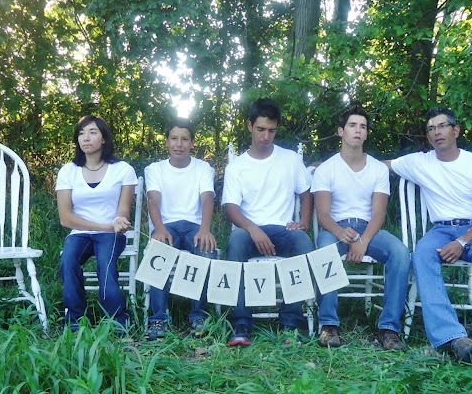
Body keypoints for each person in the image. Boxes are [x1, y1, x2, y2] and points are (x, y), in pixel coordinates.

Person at [385, 107, 472, 363]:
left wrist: (462, 241)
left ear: (456, 131)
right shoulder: (420, 162)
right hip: (441, 230)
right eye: (431, 129)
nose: (437, 132)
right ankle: (453, 337)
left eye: (442, 126)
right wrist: (332, 166)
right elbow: (377, 165)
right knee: (421, 254)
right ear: (428, 136)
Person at [311, 106, 411, 351]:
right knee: (324, 250)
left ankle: (389, 328)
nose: (358, 130)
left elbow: (379, 213)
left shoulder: (377, 168)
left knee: (400, 253)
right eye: (353, 125)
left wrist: (363, 240)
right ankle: (328, 325)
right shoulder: (326, 169)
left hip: (369, 228)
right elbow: (322, 214)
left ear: (366, 134)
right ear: (341, 131)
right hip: (336, 228)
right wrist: (339, 232)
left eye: (363, 126)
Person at [222, 98, 314, 346]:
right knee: (235, 241)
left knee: (303, 242)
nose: (266, 137)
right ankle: (241, 323)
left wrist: (304, 222)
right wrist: (252, 228)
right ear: (249, 126)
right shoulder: (237, 167)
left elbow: (306, 192)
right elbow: (231, 207)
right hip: (249, 230)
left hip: (284, 229)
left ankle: (291, 323)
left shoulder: (290, 159)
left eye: (272, 131)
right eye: (261, 129)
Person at [57, 115, 138, 333]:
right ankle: (76, 319)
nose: (86, 138)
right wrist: (104, 226)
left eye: (93, 132)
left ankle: (117, 319)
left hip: (112, 234)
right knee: (68, 261)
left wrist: (118, 221)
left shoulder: (123, 169)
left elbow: (123, 209)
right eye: (81, 133)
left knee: (105, 262)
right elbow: (66, 218)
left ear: (104, 139)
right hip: (80, 233)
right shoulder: (68, 171)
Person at [144, 117, 218, 340]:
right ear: (166, 141)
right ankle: (159, 318)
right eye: (174, 138)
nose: (179, 144)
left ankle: (199, 316)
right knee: (159, 251)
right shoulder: (155, 169)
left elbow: (207, 199)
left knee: (206, 250)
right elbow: (153, 201)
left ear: (193, 143)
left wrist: (205, 229)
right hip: (166, 226)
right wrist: (159, 229)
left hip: (195, 226)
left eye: (185, 139)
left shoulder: (203, 168)